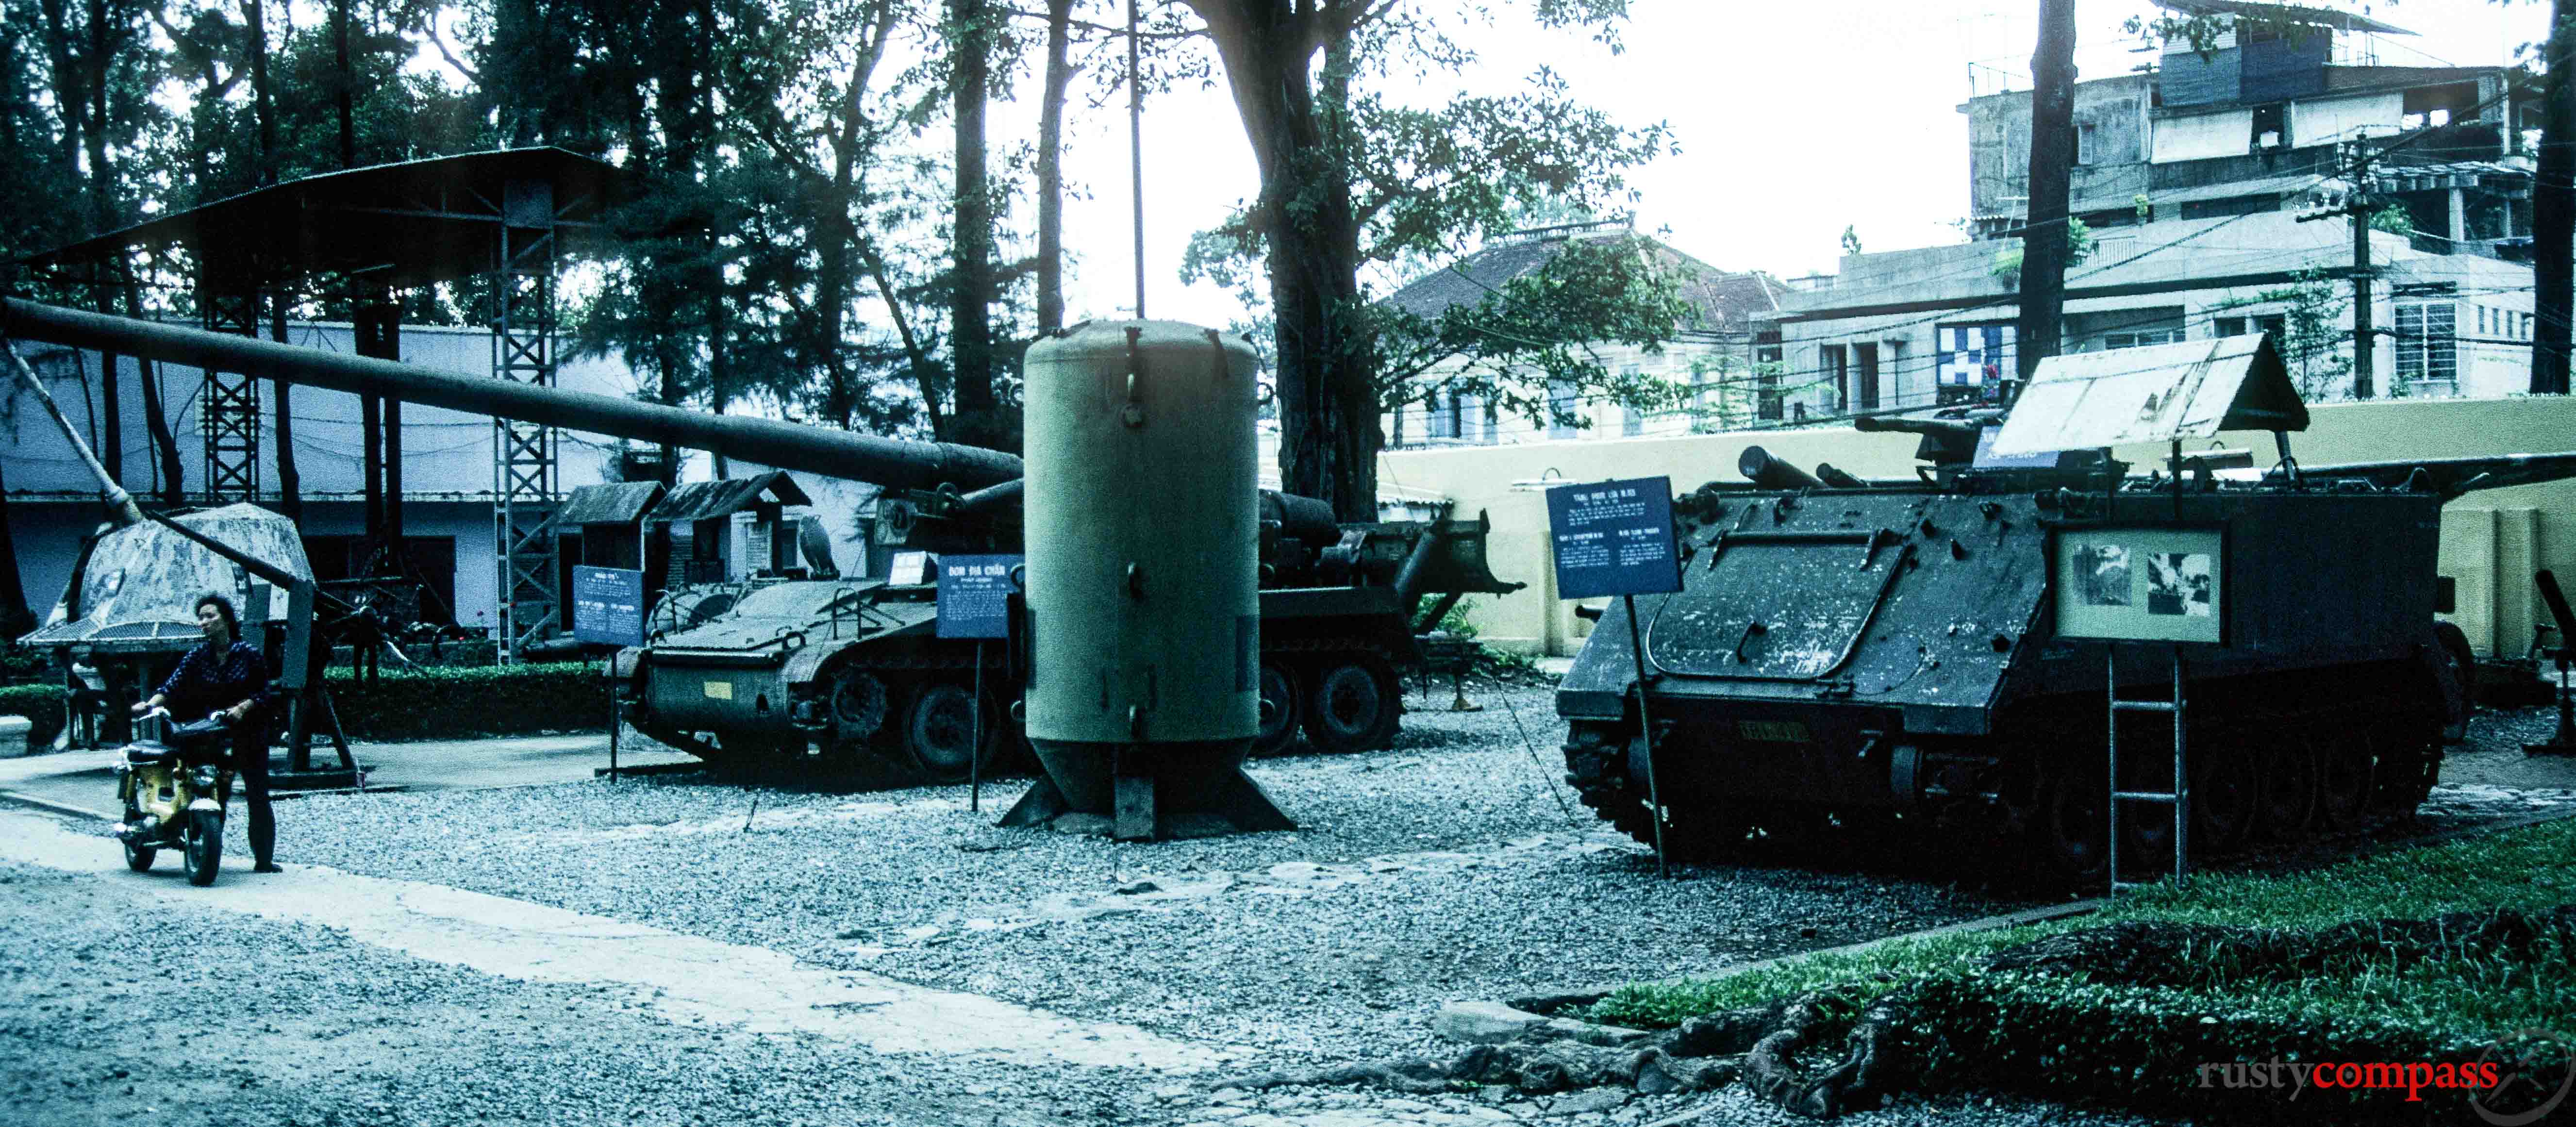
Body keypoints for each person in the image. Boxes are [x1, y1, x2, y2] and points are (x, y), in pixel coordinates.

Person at [132, 594, 280, 873]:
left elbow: (265, 692)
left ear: (226, 618)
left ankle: (263, 860)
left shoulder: (249, 654)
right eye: (201, 617)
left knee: (257, 796)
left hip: (249, 734)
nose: (204, 622)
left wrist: (244, 707)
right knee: (214, 791)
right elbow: (172, 686)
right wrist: (149, 705)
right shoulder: (197, 656)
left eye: (210, 616)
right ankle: (208, 853)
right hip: (213, 733)